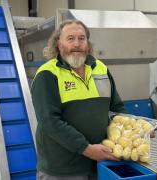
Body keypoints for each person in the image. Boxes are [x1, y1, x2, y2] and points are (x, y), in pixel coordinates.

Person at [31, 19, 127, 180]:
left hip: (100, 163)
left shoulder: (100, 69)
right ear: (58, 44)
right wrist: (87, 149)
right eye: (70, 38)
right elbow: (50, 121)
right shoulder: (48, 74)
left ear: (88, 44)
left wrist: (135, 130)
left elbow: (116, 108)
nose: (77, 43)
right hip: (63, 169)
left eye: (81, 38)